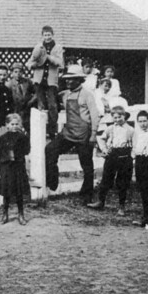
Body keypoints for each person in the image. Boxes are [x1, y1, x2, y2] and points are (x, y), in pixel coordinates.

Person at [45, 64, 100, 205]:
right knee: (50, 149)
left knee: (87, 165)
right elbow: (51, 99)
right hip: (69, 132)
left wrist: (93, 134)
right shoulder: (65, 94)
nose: (68, 82)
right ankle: (52, 181)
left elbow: (95, 116)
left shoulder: (87, 94)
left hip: (84, 134)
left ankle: (87, 194)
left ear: (79, 80)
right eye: (67, 80)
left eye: (72, 80)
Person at [89, 104, 135, 215]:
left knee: (122, 182)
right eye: (115, 117)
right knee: (106, 179)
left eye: (120, 117)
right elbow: (101, 139)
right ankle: (101, 201)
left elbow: (134, 145)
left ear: (124, 116)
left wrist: (132, 157)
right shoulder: (110, 128)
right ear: (112, 118)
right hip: (112, 155)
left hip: (125, 156)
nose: (118, 119)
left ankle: (121, 206)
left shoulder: (130, 130)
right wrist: (105, 150)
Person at [26, 26, 64, 138]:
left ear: (52, 35)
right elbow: (30, 62)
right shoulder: (38, 47)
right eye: (45, 35)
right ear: (42, 35)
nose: (47, 37)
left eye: (49, 35)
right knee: (40, 104)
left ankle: (53, 130)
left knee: (52, 104)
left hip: (51, 80)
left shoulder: (58, 47)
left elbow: (60, 63)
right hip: (39, 79)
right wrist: (35, 64)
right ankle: (41, 129)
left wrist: (48, 57)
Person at [0, 114, 31, 225]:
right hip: (6, 166)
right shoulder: (1, 138)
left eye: (17, 124)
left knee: (19, 191)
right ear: (7, 125)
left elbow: (26, 152)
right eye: (12, 124)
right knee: (6, 191)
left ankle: (21, 214)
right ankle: (5, 214)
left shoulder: (23, 137)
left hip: (18, 166)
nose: (14, 126)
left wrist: (26, 166)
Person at [6, 62, 34, 131]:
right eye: (15, 72)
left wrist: (30, 101)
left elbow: (36, 93)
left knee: (28, 128)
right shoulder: (8, 84)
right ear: (12, 73)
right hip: (15, 110)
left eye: (20, 72)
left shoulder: (27, 82)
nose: (18, 74)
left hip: (27, 110)